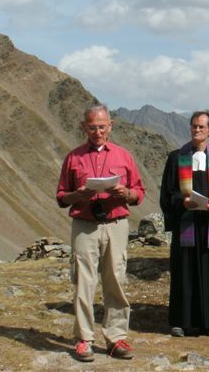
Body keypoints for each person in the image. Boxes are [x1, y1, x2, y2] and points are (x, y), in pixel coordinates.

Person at [56, 104, 145, 362]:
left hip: (116, 224)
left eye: (102, 127)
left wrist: (124, 193)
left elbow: (138, 193)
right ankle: (84, 339)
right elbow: (62, 197)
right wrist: (79, 195)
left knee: (115, 280)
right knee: (84, 281)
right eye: (92, 127)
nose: (97, 131)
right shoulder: (73, 157)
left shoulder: (124, 156)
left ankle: (116, 339)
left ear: (111, 126)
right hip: (84, 225)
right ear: (84, 127)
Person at [160, 110, 209, 338]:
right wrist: (182, 202)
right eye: (194, 126)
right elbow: (167, 193)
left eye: (202, 127)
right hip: (187, 226)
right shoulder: (176, 158)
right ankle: (181, 322)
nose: (197, 130)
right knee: (184, 273)